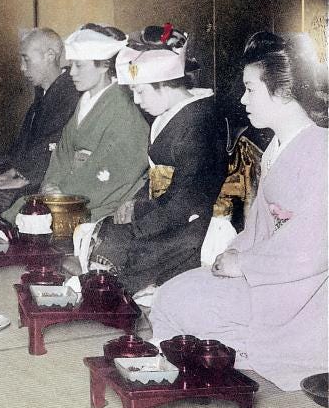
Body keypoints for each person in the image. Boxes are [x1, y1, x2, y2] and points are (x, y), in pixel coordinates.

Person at [150, 31, 327, 391]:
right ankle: (195, 362)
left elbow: (312, 252)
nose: (243, 99)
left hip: (303, 293)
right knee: (170, 295)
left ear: (282, 92)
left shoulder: (321, 153)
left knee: (184, 304)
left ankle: (227, 359)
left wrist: (243, 265)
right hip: (269, 274)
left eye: (251, 88)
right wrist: (235, 252)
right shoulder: (278, 146)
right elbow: (261, 229)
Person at [72, 26, 226, 295]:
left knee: (121, 241)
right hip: (168, 212)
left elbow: (187, 197)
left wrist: (140, 223)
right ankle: (100, 288)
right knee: (109, 229)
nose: (137, 101)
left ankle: (104, 292)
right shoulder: (170, 116)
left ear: (164, 86)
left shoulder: (199, 122)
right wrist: (136, 204)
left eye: (141, 92)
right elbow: (159, 181)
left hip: (190, 224)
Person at [3, 24, 149, 226]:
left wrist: (63, 193)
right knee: (23, 207)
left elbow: (113, 168)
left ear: (104, 66)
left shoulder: (123, 110)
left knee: (35, 219)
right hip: (70, 190)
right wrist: (52, 185)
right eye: (71, 65)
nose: (72, 73)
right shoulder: (85, 101)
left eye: (79, 66)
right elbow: (63, 152)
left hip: (98, 200)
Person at [0, 28, 79, 206]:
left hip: (51, 182)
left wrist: (25, 179)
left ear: (50, 55)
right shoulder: (43, 96)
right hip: (31, 175)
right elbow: (27, 147)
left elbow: (54, 145)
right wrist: (11, 172)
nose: (22, 68)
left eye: (26, 59)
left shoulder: (70, 95)